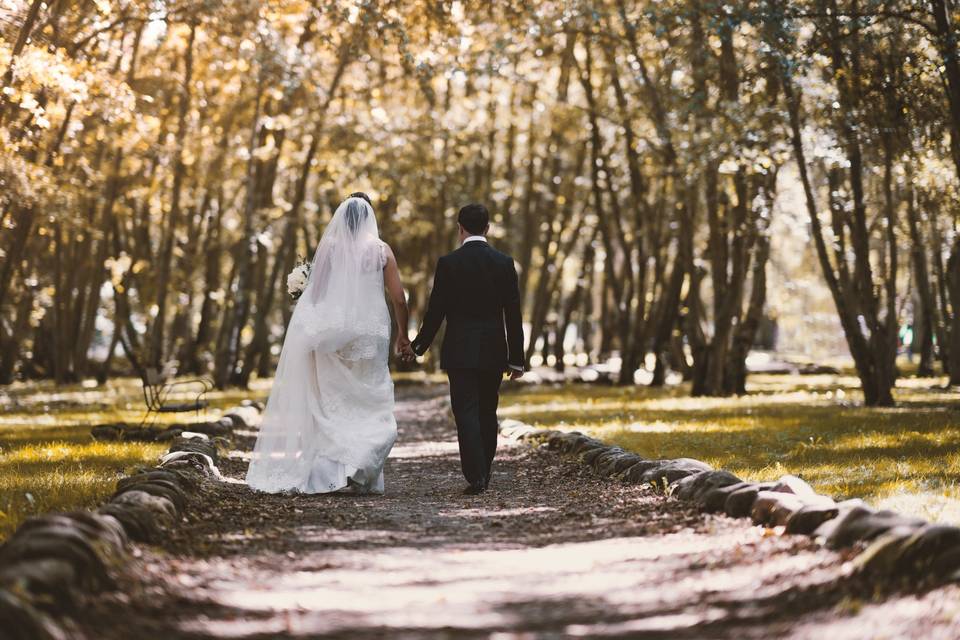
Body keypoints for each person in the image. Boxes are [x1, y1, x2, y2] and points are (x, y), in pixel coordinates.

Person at [246, 193, 412, 494]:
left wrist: (310, 328)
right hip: (371, 334)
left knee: (333, 402)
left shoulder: (330, 248)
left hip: (333, 333)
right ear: (369, 219)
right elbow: (399, 298)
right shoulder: (381, 251)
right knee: (369, 397)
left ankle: (334, 472)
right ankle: (361, 464)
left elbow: (317, 293)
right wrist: (404, 333)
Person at [408, 203, 525, 495]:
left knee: (466, 412)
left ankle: (476, 475)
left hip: (459, 351)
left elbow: (436, 312)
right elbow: (513, 314)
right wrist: (517, 360)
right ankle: (484, 468)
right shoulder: (504, 262)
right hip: (494, 350)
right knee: (488, 410)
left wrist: (418, 346)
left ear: (460, 228)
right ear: (487, 228)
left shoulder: (449, 263)